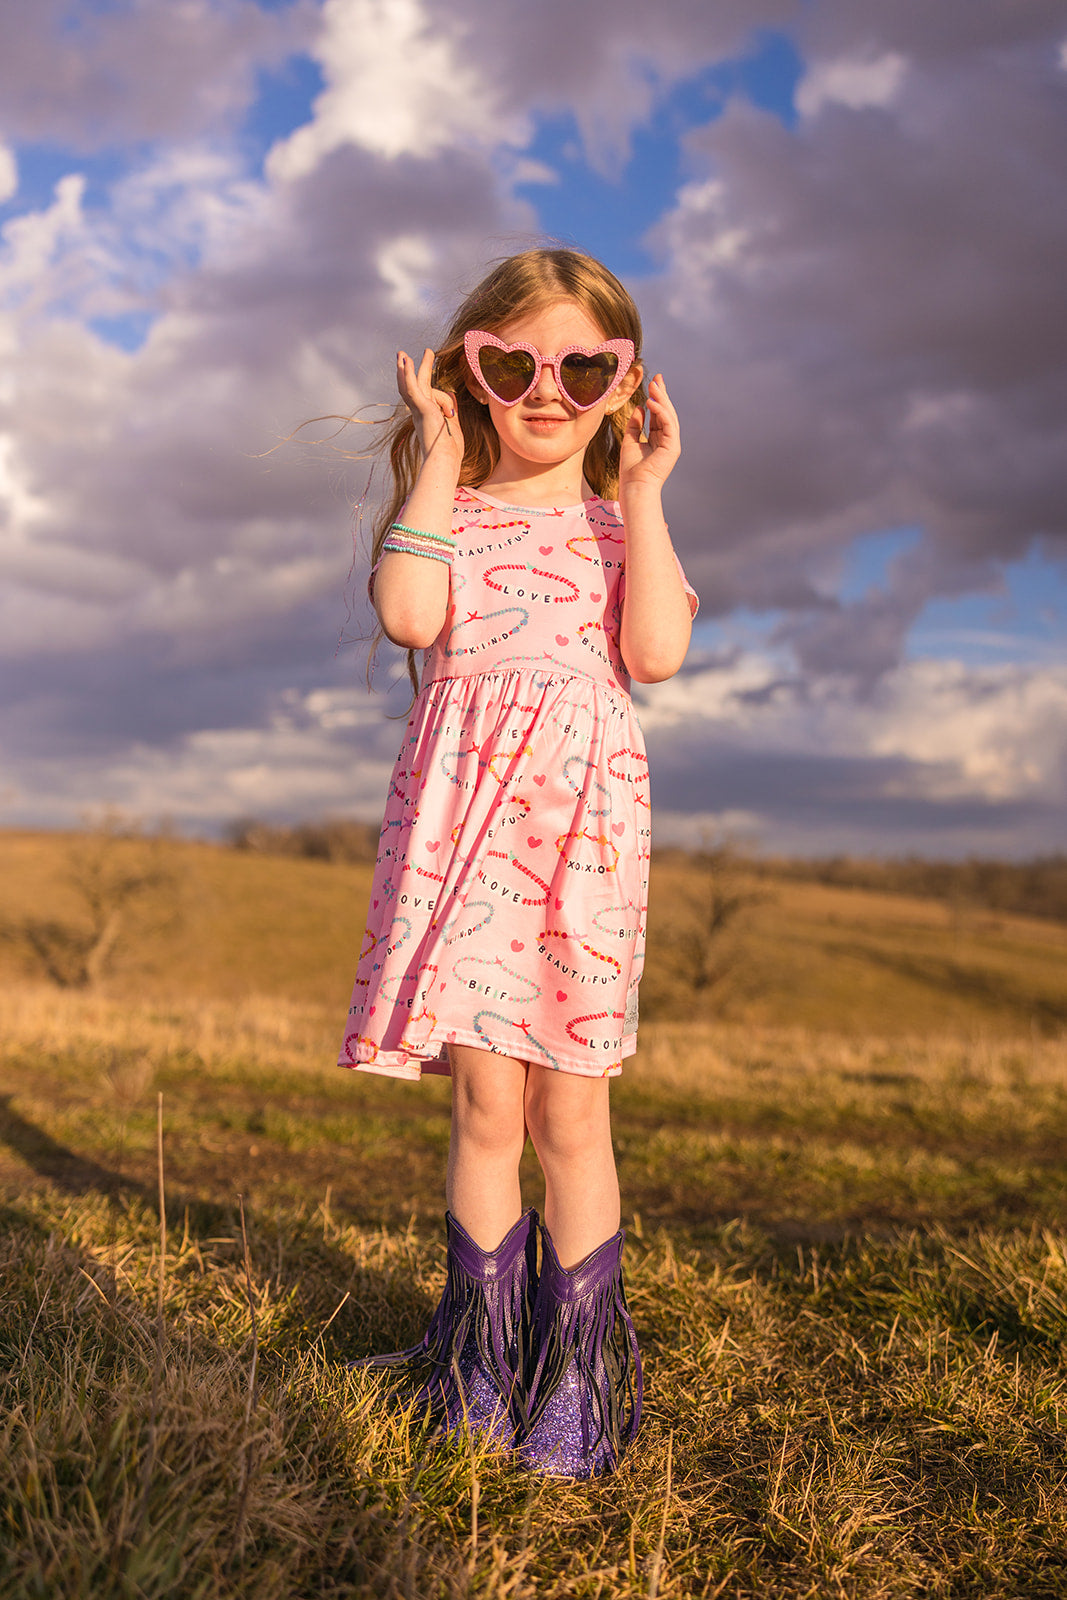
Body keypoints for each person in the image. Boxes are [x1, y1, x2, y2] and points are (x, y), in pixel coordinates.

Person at [339, 247, 697, 1478]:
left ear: (622, 381)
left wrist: (643, 493)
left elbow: (652, 653)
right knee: (488, 1103)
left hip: (582, 851)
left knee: (570, 1108)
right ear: (468, 370)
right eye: (512, 363)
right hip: (468, 836)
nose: (548, 390)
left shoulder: (615, 525)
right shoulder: (447, 511)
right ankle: (478, 1361)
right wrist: (439, 454)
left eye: (583, 366)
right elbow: (406, 615)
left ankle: (576, 1373)